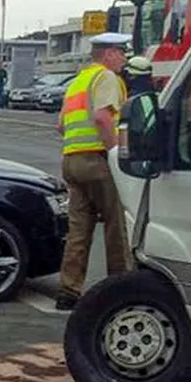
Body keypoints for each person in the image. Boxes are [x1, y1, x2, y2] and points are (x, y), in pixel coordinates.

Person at [55, 32, 133, 310]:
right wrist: (115, 155)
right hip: (98, 161)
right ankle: (120, 290)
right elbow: (103, 117)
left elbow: (61, 125)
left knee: (79, 229)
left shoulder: (78, 81)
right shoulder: (107, 78)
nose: (124, 60)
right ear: (110, 53)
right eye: (122, 53)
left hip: (72, 161)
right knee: (116, 226)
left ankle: (68, 291)